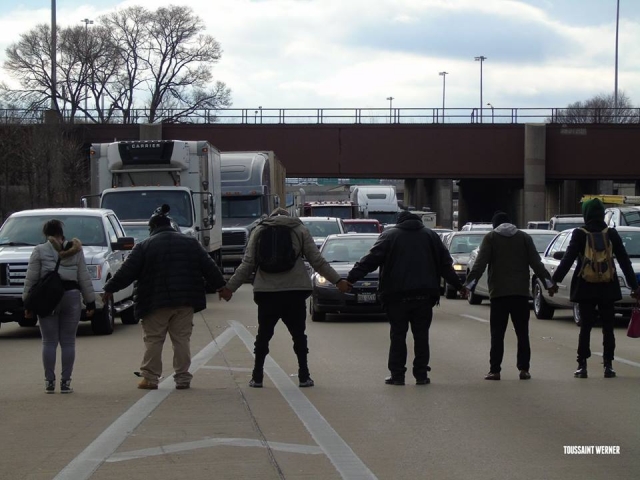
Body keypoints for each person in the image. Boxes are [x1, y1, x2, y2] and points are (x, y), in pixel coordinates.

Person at [218, 208, 350, 388]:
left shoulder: (259, 230)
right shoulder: (299, 229)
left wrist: (229, 288)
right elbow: (316, 260)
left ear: (271, 218)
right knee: (298, 335)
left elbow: (247, 263)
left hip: (267, 292)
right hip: (294, 291)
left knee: (263, 335)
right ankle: (304, 376)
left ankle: (257, 377)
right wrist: (338, 281)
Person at [102, 204, 227, 390]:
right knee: (181, 340)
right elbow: (209, 267)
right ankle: (183, 378)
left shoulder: (144, 246)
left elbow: (126, 272)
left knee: (154, 339)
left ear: (152, 229)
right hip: (185, 301)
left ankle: (150, 378)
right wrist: (222, 287)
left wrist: (109, 289)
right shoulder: (191, 243)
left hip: (154, 302)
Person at [346, 210, 466, 386]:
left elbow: (370, 261)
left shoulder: (389, 236)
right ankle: (421, 375)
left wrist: (350, 279)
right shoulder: (431, 236)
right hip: (425, 296)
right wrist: (459, 286)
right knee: (421, 336)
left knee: (398, 336)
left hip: (396, 296)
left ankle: (397, 375)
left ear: (399, 222)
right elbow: (445, 265)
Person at [551, 198, 639, 379]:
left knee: (586, 327)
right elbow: (624, 261)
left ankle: (582, 366)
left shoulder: (579, 234)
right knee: (608, 327)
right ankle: (608, 365)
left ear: (586, 214)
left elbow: (567, 260)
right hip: (608, 286)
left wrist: (553, 282)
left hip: (585, 287)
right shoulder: (611, 234)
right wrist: (634, 286)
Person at [465, 211, 556, 381]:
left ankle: (495, 370)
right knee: (522, 333)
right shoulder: (523, 238)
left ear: (495, 225)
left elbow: (480, 264)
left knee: (497, 334)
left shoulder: (491, 238)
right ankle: (524, 369)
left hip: (499, 294)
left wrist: (469, 285)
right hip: (520, 293)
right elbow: (536, 263)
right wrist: (549, 284)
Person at [23, 219, 96, 394]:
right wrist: (91, 301)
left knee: (48, 342)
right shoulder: (76, 250)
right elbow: (83, 277)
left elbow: (31, 279)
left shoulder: (39, 250)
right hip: (71, 295)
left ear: (46, 234)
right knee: (68, 342)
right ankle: (66, 383)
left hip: (48, 298)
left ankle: (49, 382)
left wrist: (28, 304)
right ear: (62, 233)